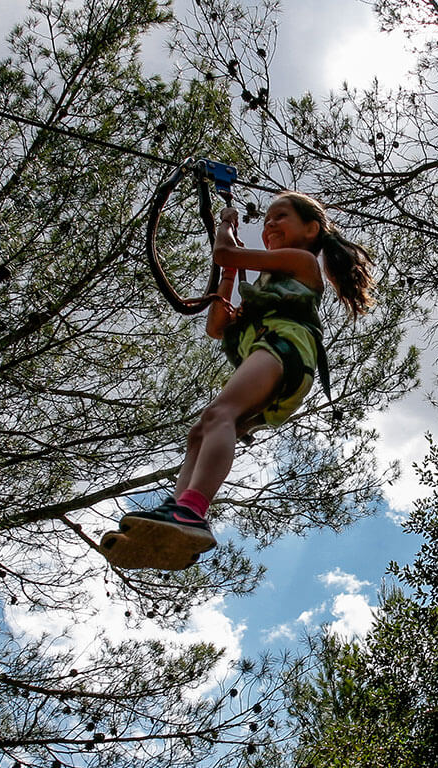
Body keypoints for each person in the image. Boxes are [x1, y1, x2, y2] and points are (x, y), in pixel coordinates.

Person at [101, 191, 374, 570]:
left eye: (280, 217)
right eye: (266, 220)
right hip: (274, 355)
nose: (270, 224)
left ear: (311, 230)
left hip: (286, 348)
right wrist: (229, 277)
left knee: (219, 415)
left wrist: (227, 226)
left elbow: (224, 253)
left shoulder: (301, 262)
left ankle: (192, 510)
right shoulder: (265, 282)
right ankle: (178, 517)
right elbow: (216, 327)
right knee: (201, 430)